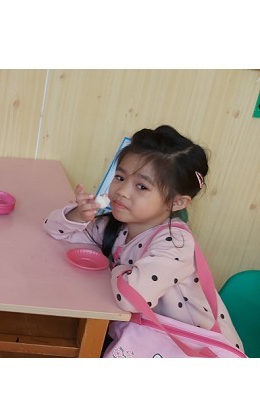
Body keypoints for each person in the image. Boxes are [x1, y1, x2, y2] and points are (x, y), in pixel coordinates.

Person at [42, 125, 244, 352]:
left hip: (195, 348)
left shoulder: (176, 243)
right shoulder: (116, 225)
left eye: (141, 186)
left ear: (177, 202)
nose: (122, 191)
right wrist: (78, 216)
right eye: (120, 177)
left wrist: (115, 268)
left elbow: (132, 298)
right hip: (147, 337)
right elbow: (54, 229)